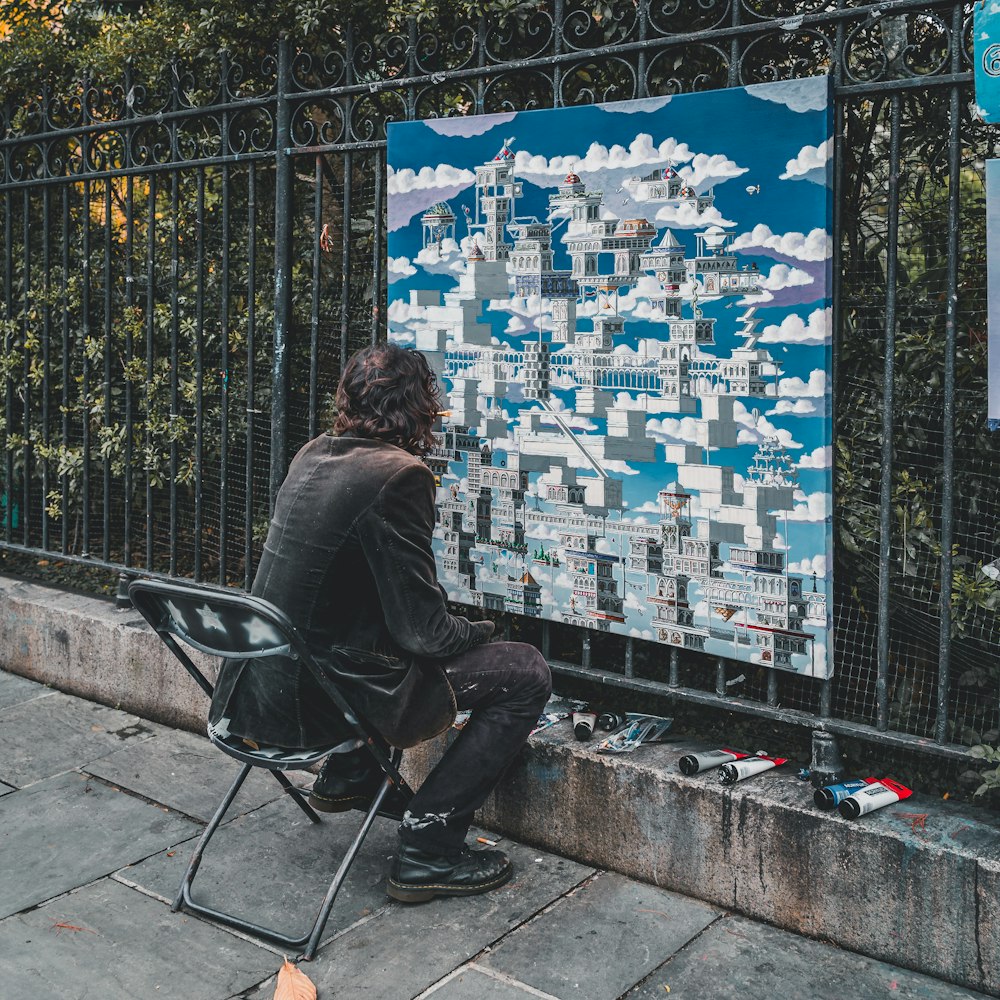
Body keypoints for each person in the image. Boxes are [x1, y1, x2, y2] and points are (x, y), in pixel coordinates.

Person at [209, 342, 551, 903]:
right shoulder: (399, 475)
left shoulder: (314, 452)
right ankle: (428, 848)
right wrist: (483, 631)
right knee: (526, 672)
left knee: (376, 645)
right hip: (323, 700)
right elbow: (426, 633)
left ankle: (351, 777)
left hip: (256, 691)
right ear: (420, 406)